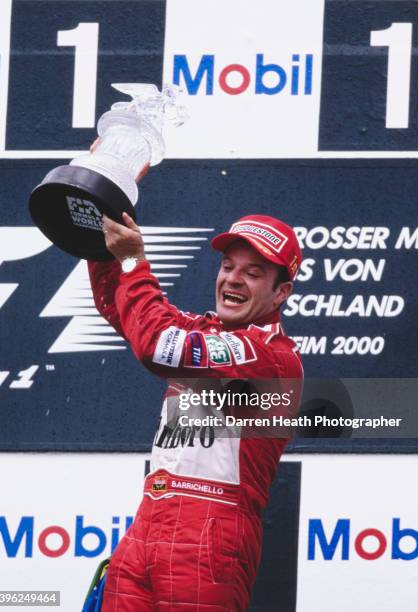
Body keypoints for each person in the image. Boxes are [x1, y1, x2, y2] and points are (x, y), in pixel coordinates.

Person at [88, 211, 303, 611]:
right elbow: (117, 305)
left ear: (280, 293)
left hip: (210, 534)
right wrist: (101, 222)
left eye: (253, 272)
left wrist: (134, 261)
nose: (233, 279)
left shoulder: (272, 359)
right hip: (147, 522)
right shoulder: (202, 331)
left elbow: (157, 345)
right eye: (227, 266)